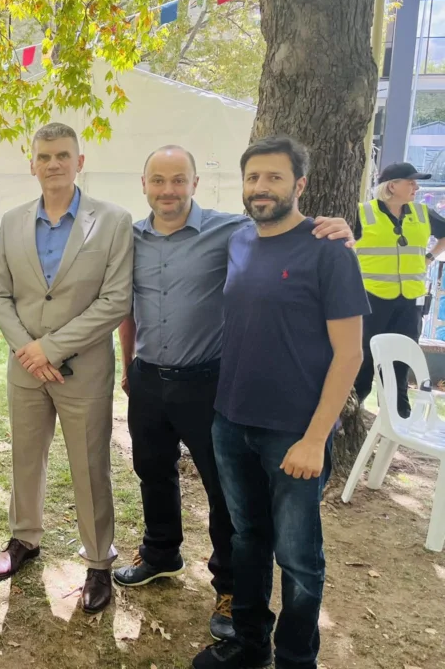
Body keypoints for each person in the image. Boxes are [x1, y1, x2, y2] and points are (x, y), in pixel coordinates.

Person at [116, 146, 353, 643]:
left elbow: (289, 237)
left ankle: (228, 587)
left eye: (178, 180)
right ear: (143, 184)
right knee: (152, 472)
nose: (168, 190)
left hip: (208, 383)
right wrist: (127, 366)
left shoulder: (234, 232)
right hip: (146, 378)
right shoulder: (130, 237)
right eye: (157, 180)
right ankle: (161, 553)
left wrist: (342, 229)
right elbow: (126, 306)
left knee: (226, 495)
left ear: (196, 183)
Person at [192, 136, 368, 669]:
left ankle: (295, 658)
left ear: (300, 185)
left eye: (273, 177)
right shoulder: (239, 240)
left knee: (298, 558)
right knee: (247, 541)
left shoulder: (329, 250)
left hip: (294, 433)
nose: (261, 188)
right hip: (230, 421)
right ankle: (248, 646)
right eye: (253, 178)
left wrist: (316, 437)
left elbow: (350, 354)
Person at [0, 122, 132, 614]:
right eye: (44, 156)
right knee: (26, 456)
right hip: (25, 366)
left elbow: (115, 300)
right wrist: (28, 348)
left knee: (90, 466)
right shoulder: (11, 221)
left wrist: (52, 347)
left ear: (79, 162)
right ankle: (24, 539)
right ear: (33, 164)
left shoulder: (112, 221)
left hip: (84, 368)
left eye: (63, 155)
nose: (53, 164)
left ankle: (97, 561)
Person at [353, 162, 445, 417]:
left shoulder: (422, 213)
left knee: (400, 366)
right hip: (371, 301)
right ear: (392, 186)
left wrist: (429, 257)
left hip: (410, 302)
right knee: (363, 363)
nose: (416, 186)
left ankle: (397, 420)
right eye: (411, 182)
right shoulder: (362, 213)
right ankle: (348, 421)